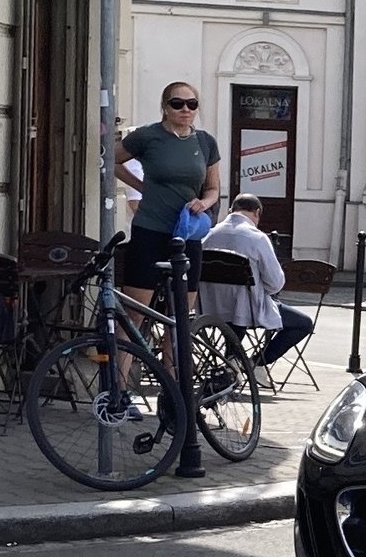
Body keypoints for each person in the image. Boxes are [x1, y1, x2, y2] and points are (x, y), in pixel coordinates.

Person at [117, 83, 223, 320]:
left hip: (187, 234)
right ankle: (125, 357)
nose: (185, 109)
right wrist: (140, 186)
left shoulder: (205, 142)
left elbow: (214, 188)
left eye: (192, 104)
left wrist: (204, 203)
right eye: (178, 104)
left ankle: (172, 359)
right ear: (165, 107)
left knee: (180, 317)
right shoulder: (147, 136)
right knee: (135, 313)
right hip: (151, 229)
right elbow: (112, 161)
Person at [201, 194, 314, 373]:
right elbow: (276, 283)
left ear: (231, 210)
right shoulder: (257, 238)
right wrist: (262, 289)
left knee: (236, 314)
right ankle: (257, 363)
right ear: (257, 212)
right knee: (303, 323)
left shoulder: (208, 235)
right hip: (247, 310)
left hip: (211, 307)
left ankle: (233, 362)